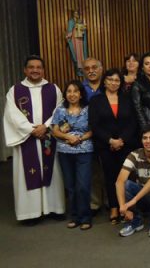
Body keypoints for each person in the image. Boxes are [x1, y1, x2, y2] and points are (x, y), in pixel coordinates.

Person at [3, 55, 65, 223]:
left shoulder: (53, 89)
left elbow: (59, 112)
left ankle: (54, 208)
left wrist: (45, 126)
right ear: (25, 70)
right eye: (31, 67)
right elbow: (12, 115)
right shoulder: (15, 90)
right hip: (26, 139)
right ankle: (30, 213)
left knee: (53, 171)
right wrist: (31, 130)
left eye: (38, 67)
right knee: (27, 173)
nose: (35, 70)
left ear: (43, 70)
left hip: (49, 137)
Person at [89, 68, 138, 225]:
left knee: (126, 177)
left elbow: (133, 122)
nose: (113, 83)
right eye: (110, 79)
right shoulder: (96, 101)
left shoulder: (126, 99)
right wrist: (111, 141)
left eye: (117, 80)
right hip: (106, 145)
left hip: (126, 144)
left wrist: (122, 140)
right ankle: (114, 207)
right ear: (104, 81)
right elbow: (94, 125)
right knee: (110, 177)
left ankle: (128, 206)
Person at [51, 80, 93, 230]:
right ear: (65, 94)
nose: (72, 94)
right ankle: (74, 217)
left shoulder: (88, 110)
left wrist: (80, 138)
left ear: (81, 94)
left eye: (75, 91)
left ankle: (85, 217)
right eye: (69, 91)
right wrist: (68, 137)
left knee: (83, 185)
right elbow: (55, 130)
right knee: (70, 186)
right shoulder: (60, 110)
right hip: (64, 152)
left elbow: (92, 130)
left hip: (84, 151)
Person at [115, 126, 150, 237]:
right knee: (126, 184)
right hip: (141, 195)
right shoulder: (134, 155)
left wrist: (133, 201)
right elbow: (119, 181)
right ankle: (136, 221)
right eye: (145, 138)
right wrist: (123, 207)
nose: (148, 141)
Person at [81, 57, 104, 215]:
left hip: (109, 133)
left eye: (94, 67)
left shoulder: (109, 85)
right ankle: (95, 203)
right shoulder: (79, 89)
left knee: (110, 169)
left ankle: (112, 201)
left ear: (101, 69)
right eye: (87, 68)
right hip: (87, 134)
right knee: (93, 170)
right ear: (83, 71)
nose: (91, 71)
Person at [66, 10, 88, 76]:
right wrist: (68, 35)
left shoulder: (80, 21)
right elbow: (69, 30)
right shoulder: (71, 21)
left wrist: (83, 28)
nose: (76, 15)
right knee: (76, 54)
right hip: (74, 39)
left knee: (81, 53)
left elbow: (83, 30)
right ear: (73, 14)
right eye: (75, 13)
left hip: (80, 39)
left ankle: (82, 67)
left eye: (77, 13)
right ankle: (78, 68)